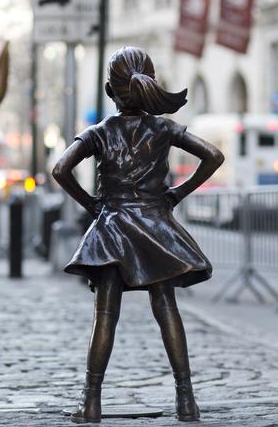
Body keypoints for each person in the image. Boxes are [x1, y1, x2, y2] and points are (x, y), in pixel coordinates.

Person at [52, 47, 224, 423]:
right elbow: (213, 155)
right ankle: (186, 401)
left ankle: (91, 402)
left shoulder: (99, 132)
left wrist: (92, 204)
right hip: (154, 227)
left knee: (106, 316)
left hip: (112, 229)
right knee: (166, 309)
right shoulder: (163, 129)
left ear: (109, 91)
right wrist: (176, 194)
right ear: (148, 84)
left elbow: (60, 169)